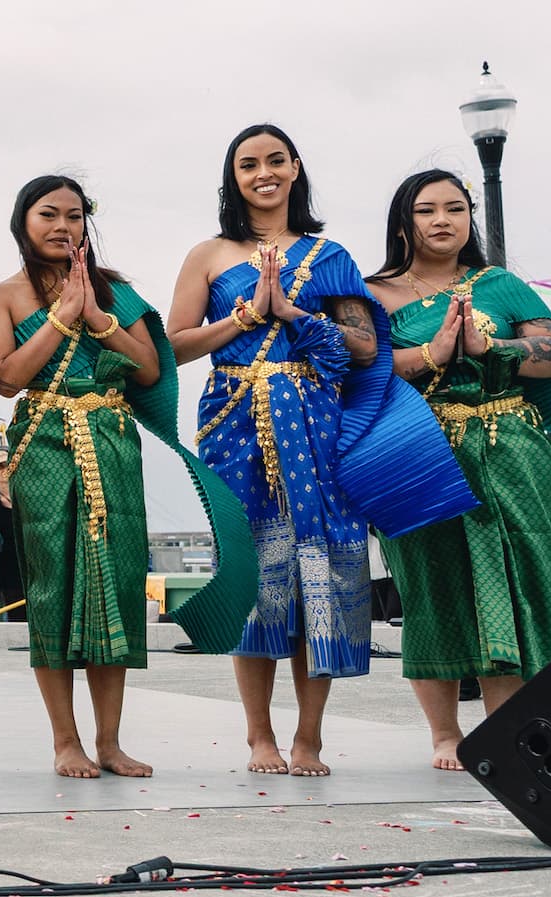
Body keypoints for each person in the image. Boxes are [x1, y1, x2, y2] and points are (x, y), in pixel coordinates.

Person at [162, 124, 472, 777]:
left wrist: (295, 317)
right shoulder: (209, 255)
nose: (263, 173)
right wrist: (247, 317)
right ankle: (259, 738)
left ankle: (309, 739)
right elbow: (177, 345)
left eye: (276, 160)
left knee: (318, 579)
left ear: (296, 168)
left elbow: (365, 348)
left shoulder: (329, 255)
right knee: (257, 585)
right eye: (249, 164)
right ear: (234, 176)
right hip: (236, 423)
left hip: (317, 423)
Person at [0, 175, 243, 780]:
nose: (62, 226)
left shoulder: (117, 291)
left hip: (113, 442)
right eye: (48, 214)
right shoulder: (3, 296)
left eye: (74, 215)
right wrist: (60, 317)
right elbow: (8, 376)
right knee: (51, 590)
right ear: (23, 222)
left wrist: (95, 314)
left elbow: (150, 369)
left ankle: (110, 741)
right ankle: (65, 742)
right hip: (44, 443)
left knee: (116, 587)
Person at [365, 170, 551, 770]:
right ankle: (444, 734)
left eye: (455, 208)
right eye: (427, 209)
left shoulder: (501, 285)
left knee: (520, 581)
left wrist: (496, 351)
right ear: (403, 221)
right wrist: (432, 354)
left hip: (511, 446)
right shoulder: (371, 294)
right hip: (418, 451)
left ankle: (512, 727)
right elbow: (360, 371)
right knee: (431, 584)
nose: (442, 220)